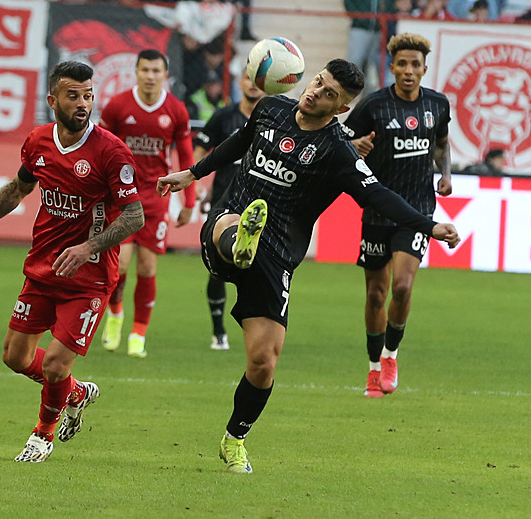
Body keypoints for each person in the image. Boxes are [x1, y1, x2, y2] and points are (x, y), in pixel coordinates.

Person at [156, 58, 460, 473]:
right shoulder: (271, 109)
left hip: (278, 256)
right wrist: (192, 174)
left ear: (341, 109)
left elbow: (379, 197)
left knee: (264, 361)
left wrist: (430, 225)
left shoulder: (338, 152)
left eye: (329, 93)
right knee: (229, 227)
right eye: (318, 82)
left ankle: (235, 438)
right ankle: (239, 240)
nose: (316, 91)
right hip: (230, 222)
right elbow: (239, 143)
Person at [0, 61, 145, 463]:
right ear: (53, 99)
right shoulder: (38, 141)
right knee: (15, 357)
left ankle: (43, 433)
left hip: (89, 278)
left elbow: (134, 215)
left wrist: (88, 248)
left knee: (55, 364)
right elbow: (17, 190)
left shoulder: (111, 151)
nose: (83, 103)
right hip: (42, 268)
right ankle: (75, 392)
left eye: (88, 95)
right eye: (73, 95)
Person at [343, 33, 453, 399]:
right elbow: (341, 142)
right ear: (391, 67)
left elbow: (441, 143)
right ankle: (373, 368)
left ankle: (391, 356)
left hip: (417, 210)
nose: (408, 70)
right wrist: (354, 148)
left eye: (415, 64)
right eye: (401, 64)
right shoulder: (373, 106)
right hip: (376, 209)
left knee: (402, 286)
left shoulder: (437, 104)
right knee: (376, 294)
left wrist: (446, 174)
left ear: (424, 68)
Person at [98, 49, 196, 358]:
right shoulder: (118, 105)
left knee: (147, 266)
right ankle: (115, 314)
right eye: (145, 70)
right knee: (121, 265)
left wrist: (189, 200)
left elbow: (186, 156)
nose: (150, 76)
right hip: (123, 197)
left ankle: (138, 334)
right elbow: (100, 147)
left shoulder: (176, 110)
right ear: (136, 73)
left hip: (157, 199)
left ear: (165, 75)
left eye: (156, 71)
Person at [193, 67, 265, 350]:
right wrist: (197, 182)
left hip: (260, 204)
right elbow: (201, 147)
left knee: (259, 269)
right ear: (240, 83)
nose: (253, 85)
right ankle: (219, 330)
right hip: (226, 202)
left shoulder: (274, 119)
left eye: (258, 80)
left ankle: (257, 329)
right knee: (218, 268)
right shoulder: (224, 116)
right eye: (248, 78)